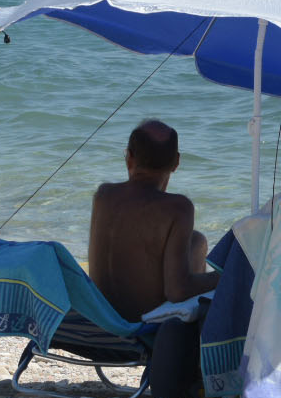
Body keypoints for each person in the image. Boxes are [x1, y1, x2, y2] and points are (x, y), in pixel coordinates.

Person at [88, 119, 220, 324]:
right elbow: (177, 291)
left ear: (129, 157)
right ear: (176, 162)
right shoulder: (179, 208)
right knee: (198, 243)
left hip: (100, 321)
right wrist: (224, 276)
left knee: (195, 240)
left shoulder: (103, 195)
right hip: (141, 329)